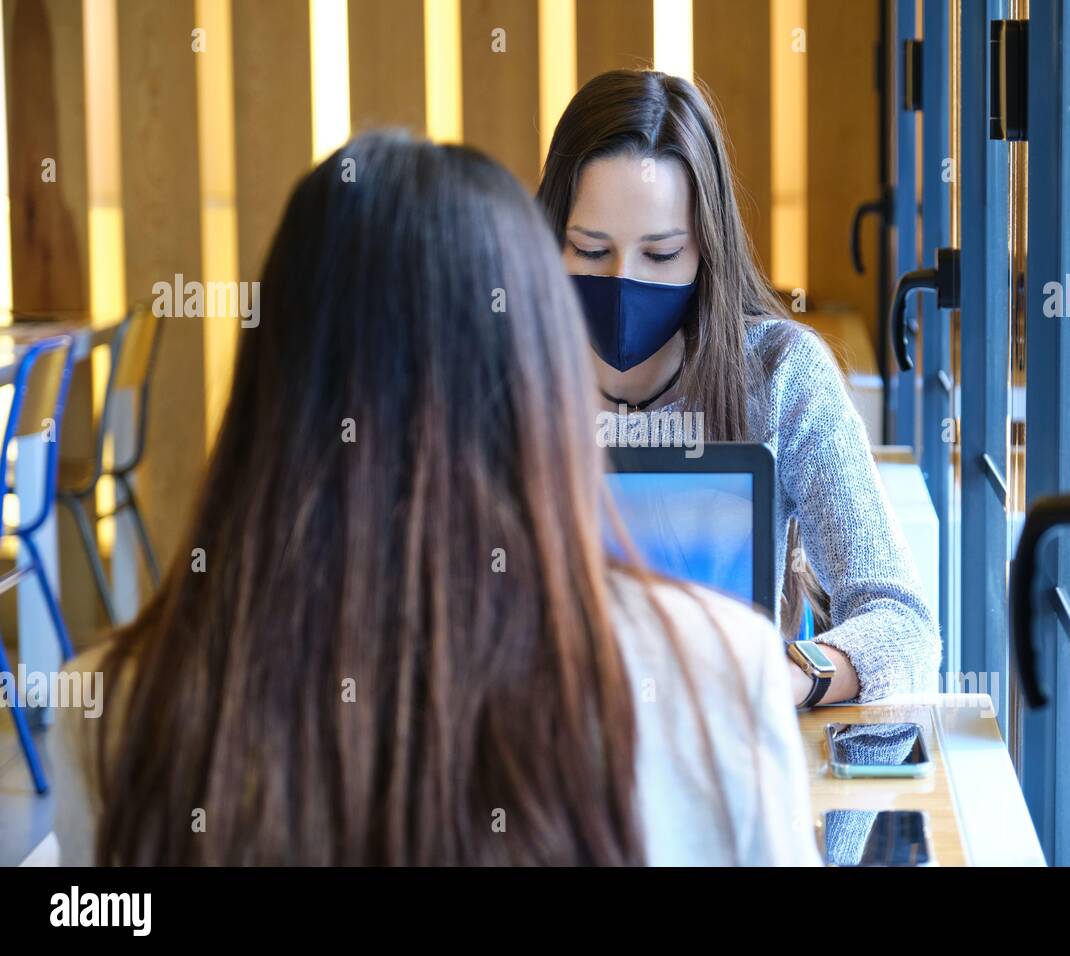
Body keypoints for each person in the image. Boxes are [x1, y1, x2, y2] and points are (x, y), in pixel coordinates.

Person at [49, 131, 820, 867]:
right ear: (542, 372)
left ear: (270, 382)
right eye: (592, 252)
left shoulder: (116, 715)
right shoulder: (721, 672)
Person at [538, 69, 940, 706]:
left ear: (707, 250)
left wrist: (788, 675)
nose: (624, 281)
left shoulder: (782, 376)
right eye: (590, 251)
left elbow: (903, 628)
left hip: (724, 758)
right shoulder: (498, 377)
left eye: (661, 255)